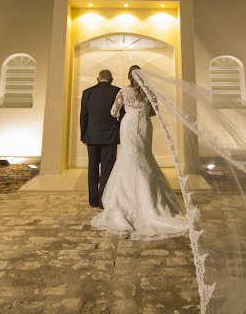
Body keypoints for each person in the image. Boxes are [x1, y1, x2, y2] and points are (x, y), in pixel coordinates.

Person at [91, 65, 188, 239]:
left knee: (128, 156)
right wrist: (142, 113)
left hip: (128, 125)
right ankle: (151, 202)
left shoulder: (124, 91)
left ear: (129, 77)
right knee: (144, 156)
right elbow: (154, 112)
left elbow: (113, 111)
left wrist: (123, 114)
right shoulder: (149, 91)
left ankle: (124, 200)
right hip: (144, 125)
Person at [80, 69, 123, 208]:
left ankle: (93, 200)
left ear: (97, 78)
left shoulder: (87, 92)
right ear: (111, 79)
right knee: (107, 167)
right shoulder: (117, 91)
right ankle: (103, 201)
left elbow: (83, 116)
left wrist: (83, 135)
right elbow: (121, 115)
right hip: (110, 136)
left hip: (92, 135)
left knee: (92, 167)